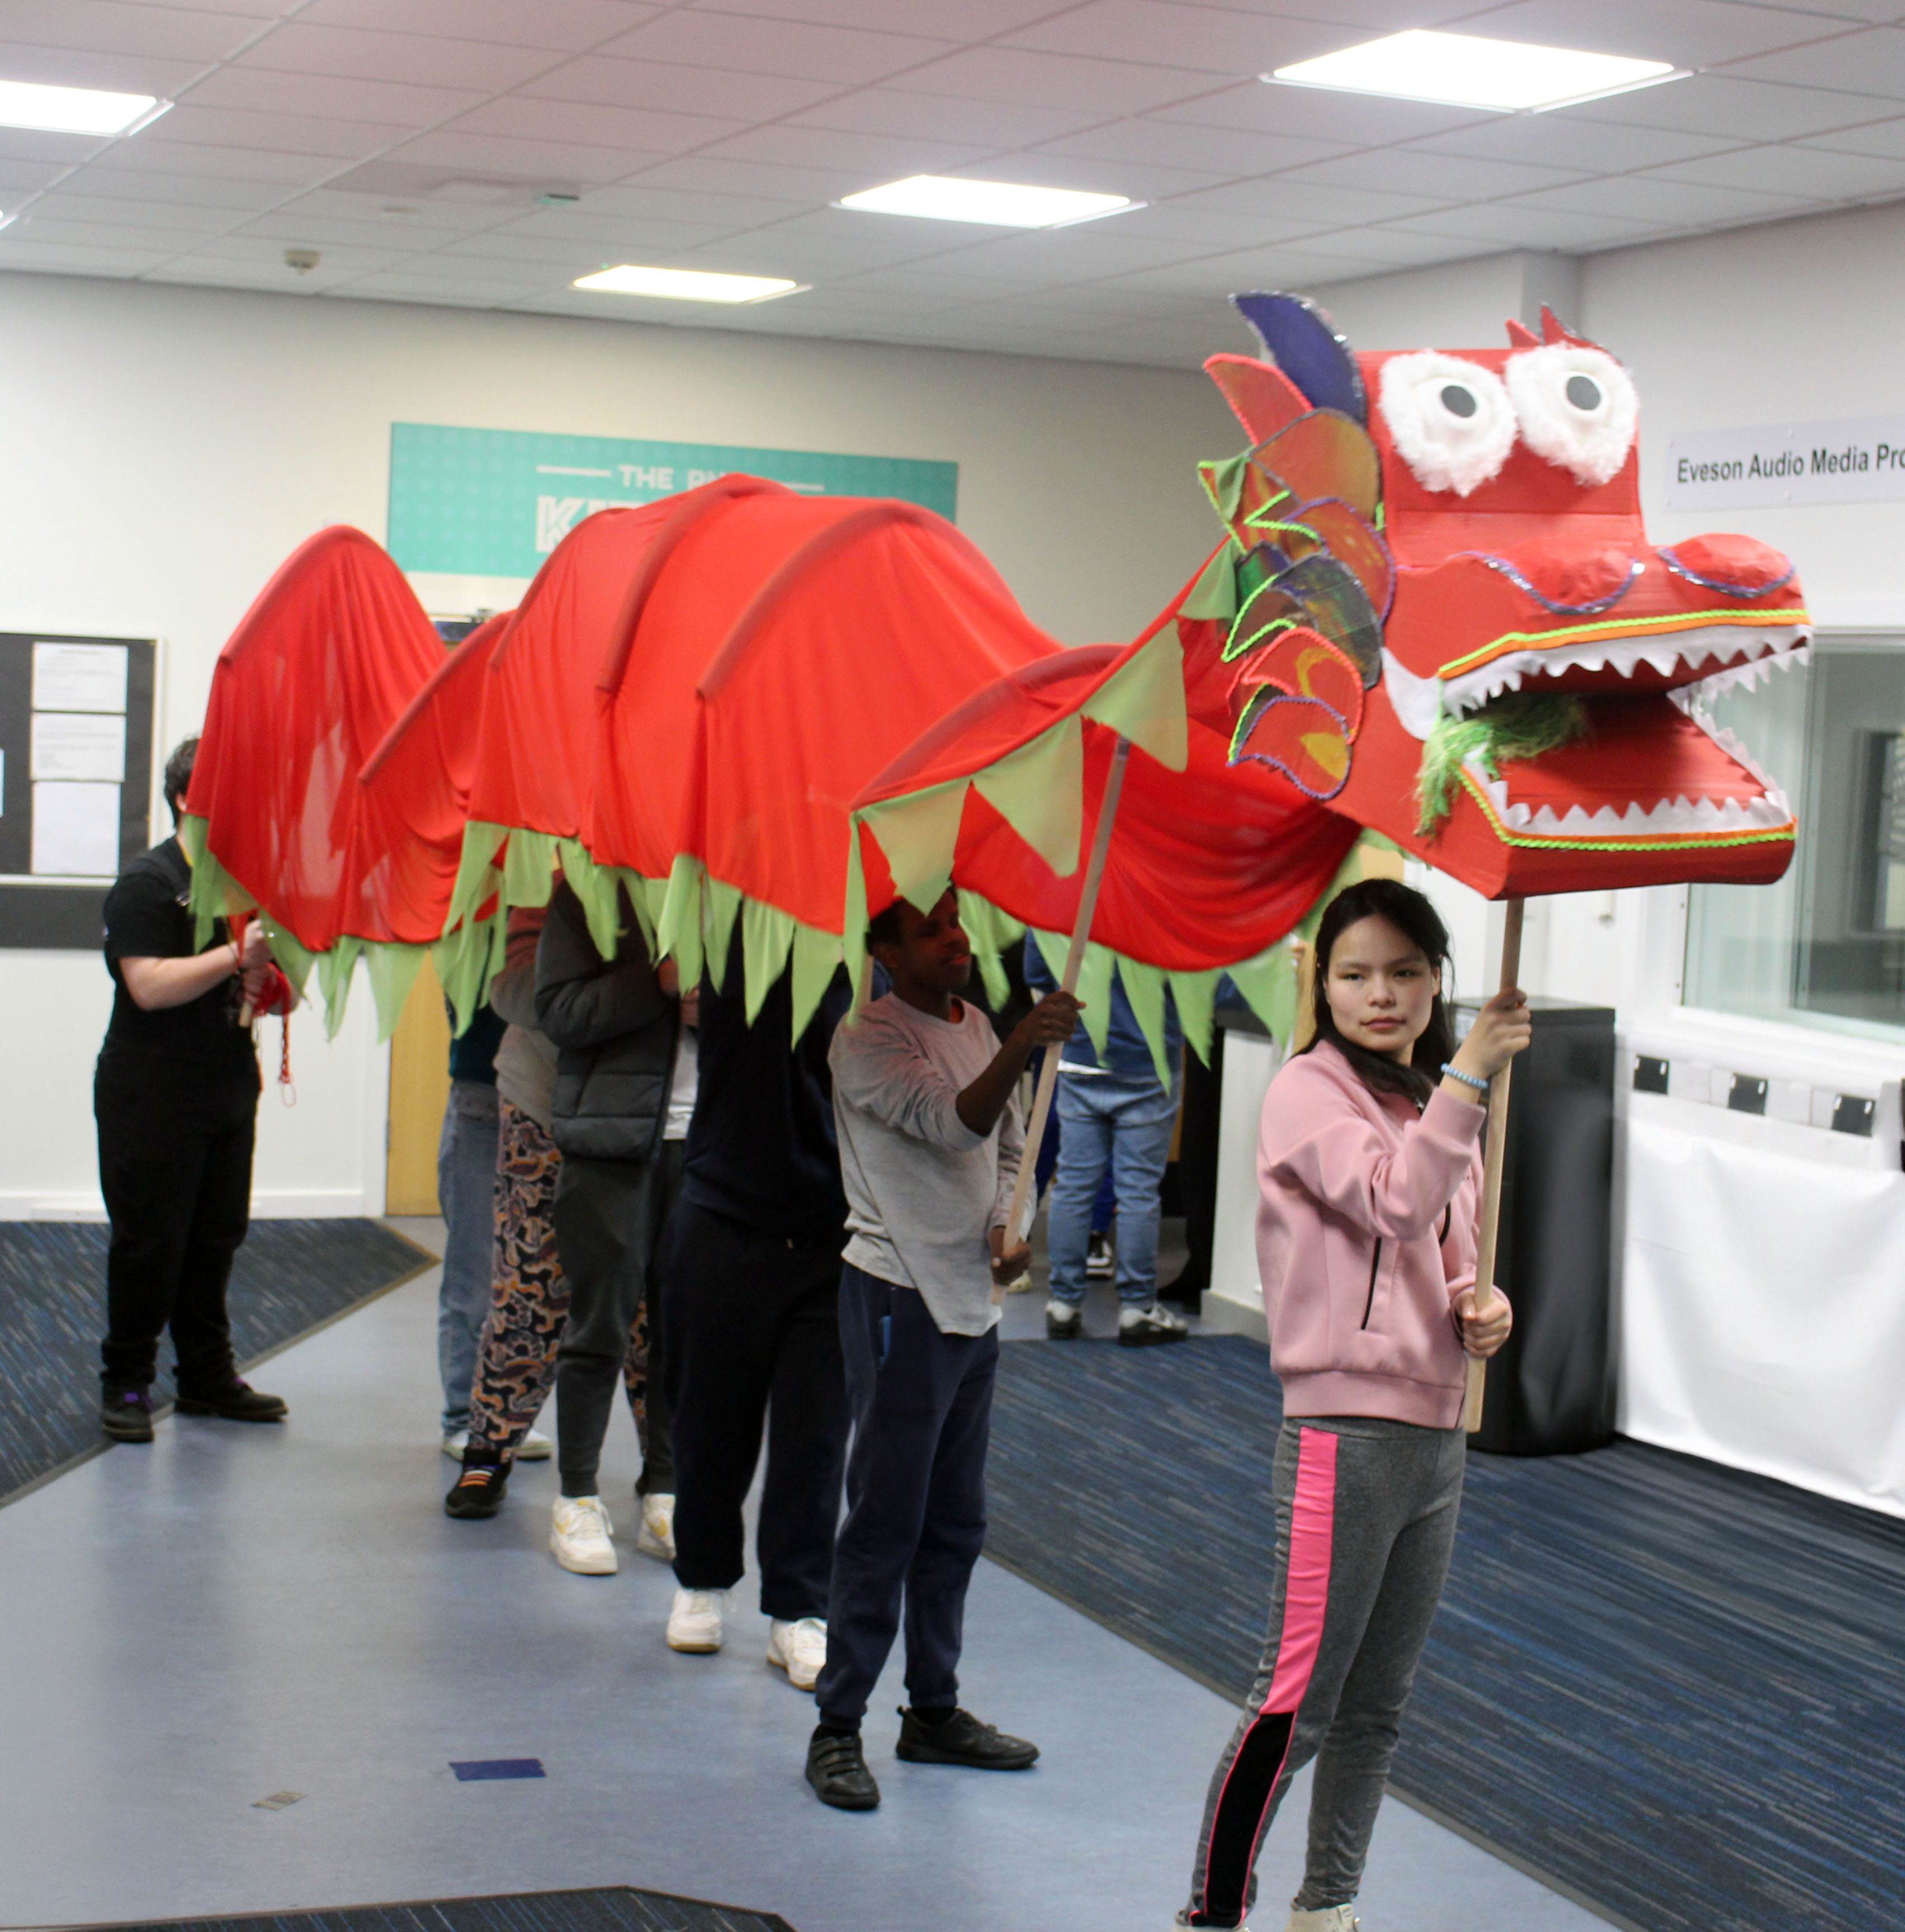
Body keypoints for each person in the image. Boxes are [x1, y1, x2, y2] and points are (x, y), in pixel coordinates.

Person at [1175, 878, 1526, 1932]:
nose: (1383, 993)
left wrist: (1486, 1304)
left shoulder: (1430, 1098)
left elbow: (1446, 1253)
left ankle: (1327, 1906)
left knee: (1377, 1708)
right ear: (1320, 983)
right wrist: (1472, 1073)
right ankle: (1213, 1914)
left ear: (1435, 981)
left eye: (1407, 971)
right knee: (1295, 1705)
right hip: (1345, 1434)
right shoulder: (1305, 1093)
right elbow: (1394, 1201)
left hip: (1435, 1435)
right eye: (1356, 972)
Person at [805, 891, 1080, 1811]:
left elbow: (1008, 1151)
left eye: (958, 920)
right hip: (897, 1294)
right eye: (930, 928)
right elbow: (953, 1121)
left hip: (975, 1304)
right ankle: (836, 1727)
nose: (956, 938)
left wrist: (1015, 1225)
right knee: (884, 1521)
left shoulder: (979, 1024)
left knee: (956, 1523)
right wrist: (1023, 1047)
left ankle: (932, 1712)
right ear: (882, 948)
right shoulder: (864, 1040)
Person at [658, 931, 852, 1691]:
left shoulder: (860, 950)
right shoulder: (729, 930)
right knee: (710, 1418)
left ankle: (799, 1609)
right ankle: (701, 1581)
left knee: (815, 1432)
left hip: (829, 1225)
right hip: (724, 1210)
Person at [95, 737, 287, 1442]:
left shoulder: (239, 882)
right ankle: (127, 1382)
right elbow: (146, 985)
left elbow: (266, 988)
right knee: (152, 1242)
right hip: (152, 1092)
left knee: (216, 1238)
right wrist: (238, 954)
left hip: (228, 1084)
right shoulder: (149, 882)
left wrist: (269, 978)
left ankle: (206, 1377)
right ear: (186, 799)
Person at [533, 880, 684, 1574]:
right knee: (600, 1324)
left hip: (713, 1143)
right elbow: (559, 1013)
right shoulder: (590, 895)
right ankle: (576, 1495)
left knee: (688, 1334)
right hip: (611, 1143)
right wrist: (656, 982)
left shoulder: (739, 885)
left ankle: (666, 1490)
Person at [1026, 935, 1188, 1346]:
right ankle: (1137, 1308)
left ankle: (1062, 1304)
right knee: (1138, 1191)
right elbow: (1197, 977)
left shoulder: (1066, 895)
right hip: (1149, 1063)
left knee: (1073, 1186)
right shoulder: (1162, 898)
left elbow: (1037, 970)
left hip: (1079, 1055)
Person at [433, 997, 526, 1456]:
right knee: (474, 1272)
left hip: (546, 1094)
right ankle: (464, 1418)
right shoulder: (472, 927)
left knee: (526, 1277)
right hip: (482, 1091)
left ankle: (503, 1415)